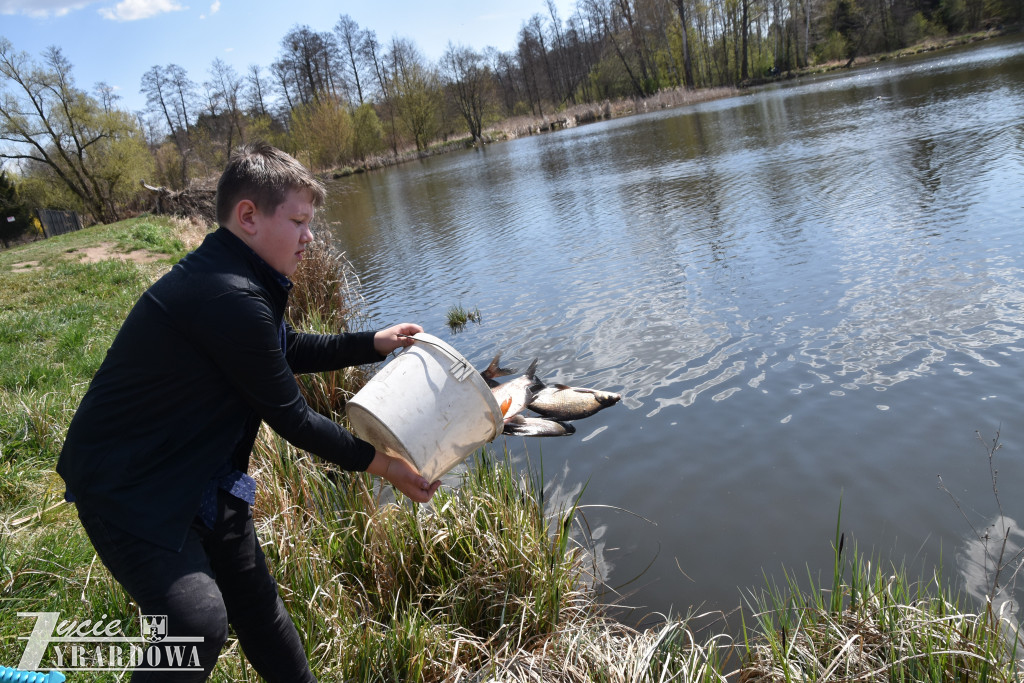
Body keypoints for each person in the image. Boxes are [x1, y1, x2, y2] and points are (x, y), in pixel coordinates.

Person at [57, 142, 440, 682]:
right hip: (128, 482)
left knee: (257, 606)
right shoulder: (226, 294)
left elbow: (282, 348)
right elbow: (294, 420)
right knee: (196, 619)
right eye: (300, 221)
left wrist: (371, 343)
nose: (310, 236)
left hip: (200, 470)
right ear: (248, 217)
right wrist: (387, 465)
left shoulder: (236, 276)